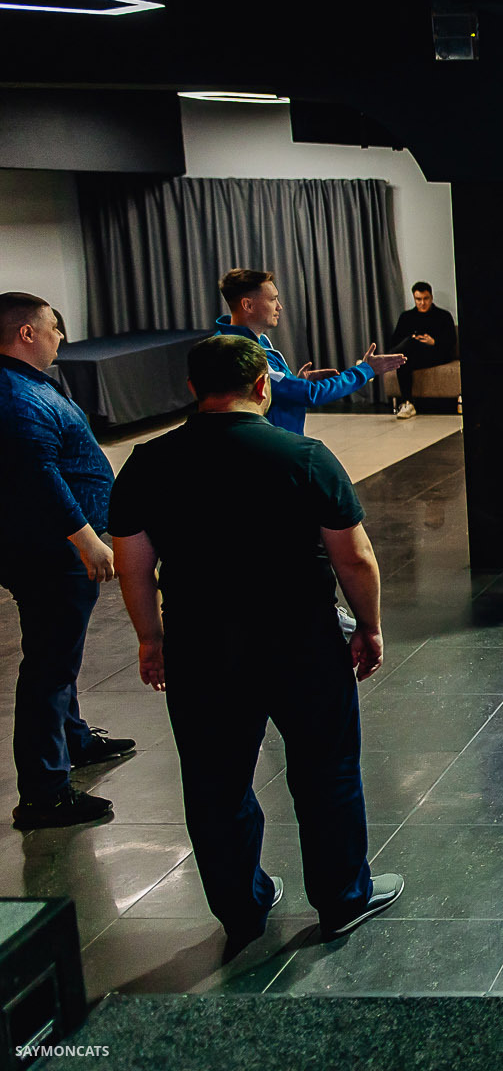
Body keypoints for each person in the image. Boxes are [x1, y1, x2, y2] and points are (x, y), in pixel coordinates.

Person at [109, 334, 402, 948]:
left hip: (201, 647)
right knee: (326, 772)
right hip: (302, 642)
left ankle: (241, 907)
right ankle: (342, 898)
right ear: (263, 385)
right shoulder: (305, 456)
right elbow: (354, 558)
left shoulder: (148, 463)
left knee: (214, 782)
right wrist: (369, 626)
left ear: (193, 388)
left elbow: (132, 566)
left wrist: (150, 640)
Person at [0, 293, 134, 830]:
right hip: (50, 552)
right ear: (26, 333)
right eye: (54, 327)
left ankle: (73, 740)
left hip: (49, 546)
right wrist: (87, 540)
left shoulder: (29, 383)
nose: (60, 337)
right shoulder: (16, 395)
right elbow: (37, 475)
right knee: (49, 668)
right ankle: (44, 793)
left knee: (59, 654)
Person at [213, 269, 406, 436]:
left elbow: (269, 392)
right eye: (272, 299)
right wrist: (365, 370)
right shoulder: (242, 350)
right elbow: (311, 394)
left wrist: (294, 381)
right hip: (270, 448)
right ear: (247, 305)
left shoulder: (242, 339)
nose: (279, 306)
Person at [385, 281, 458, 419]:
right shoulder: (406, 317)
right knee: (405, 356)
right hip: (413, 355)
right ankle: (408, 403)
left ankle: (383, 360)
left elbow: (451, 341)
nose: (422, 303)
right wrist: (412, 339)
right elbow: (395, 341)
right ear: (414, 298)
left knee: (408, 347)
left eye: (426, 299)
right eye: (418, 299)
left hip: (436, 353)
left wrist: (434, 341)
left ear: (431, 297)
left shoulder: (443, 315)